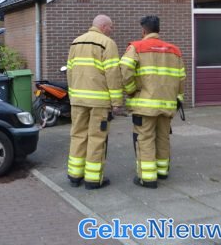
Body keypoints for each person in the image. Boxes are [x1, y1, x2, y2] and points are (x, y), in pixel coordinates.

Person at [120, 15, 185, 189]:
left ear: (143, 30)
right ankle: (162, 171)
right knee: (163, 137)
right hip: (167, 104)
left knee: (145, 138)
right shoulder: (174, 51)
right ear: (158, 29)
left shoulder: (136, 47)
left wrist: (131, 90)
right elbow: (181, 78)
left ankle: (147, 178)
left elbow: (124, 71)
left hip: (145, 105)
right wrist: (178, 98)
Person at [66, 14, 123, 190]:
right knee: (96, 138)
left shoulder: (76, 42)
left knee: (78, 136)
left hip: (78, 100)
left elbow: (70, 71)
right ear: (104, 27)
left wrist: (72, 95)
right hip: (99, 102)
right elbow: (113, 74)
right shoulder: (107, 43)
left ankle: (75, 175)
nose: (112, 30)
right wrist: (117, 101)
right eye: (111, 27)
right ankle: (93, 179)